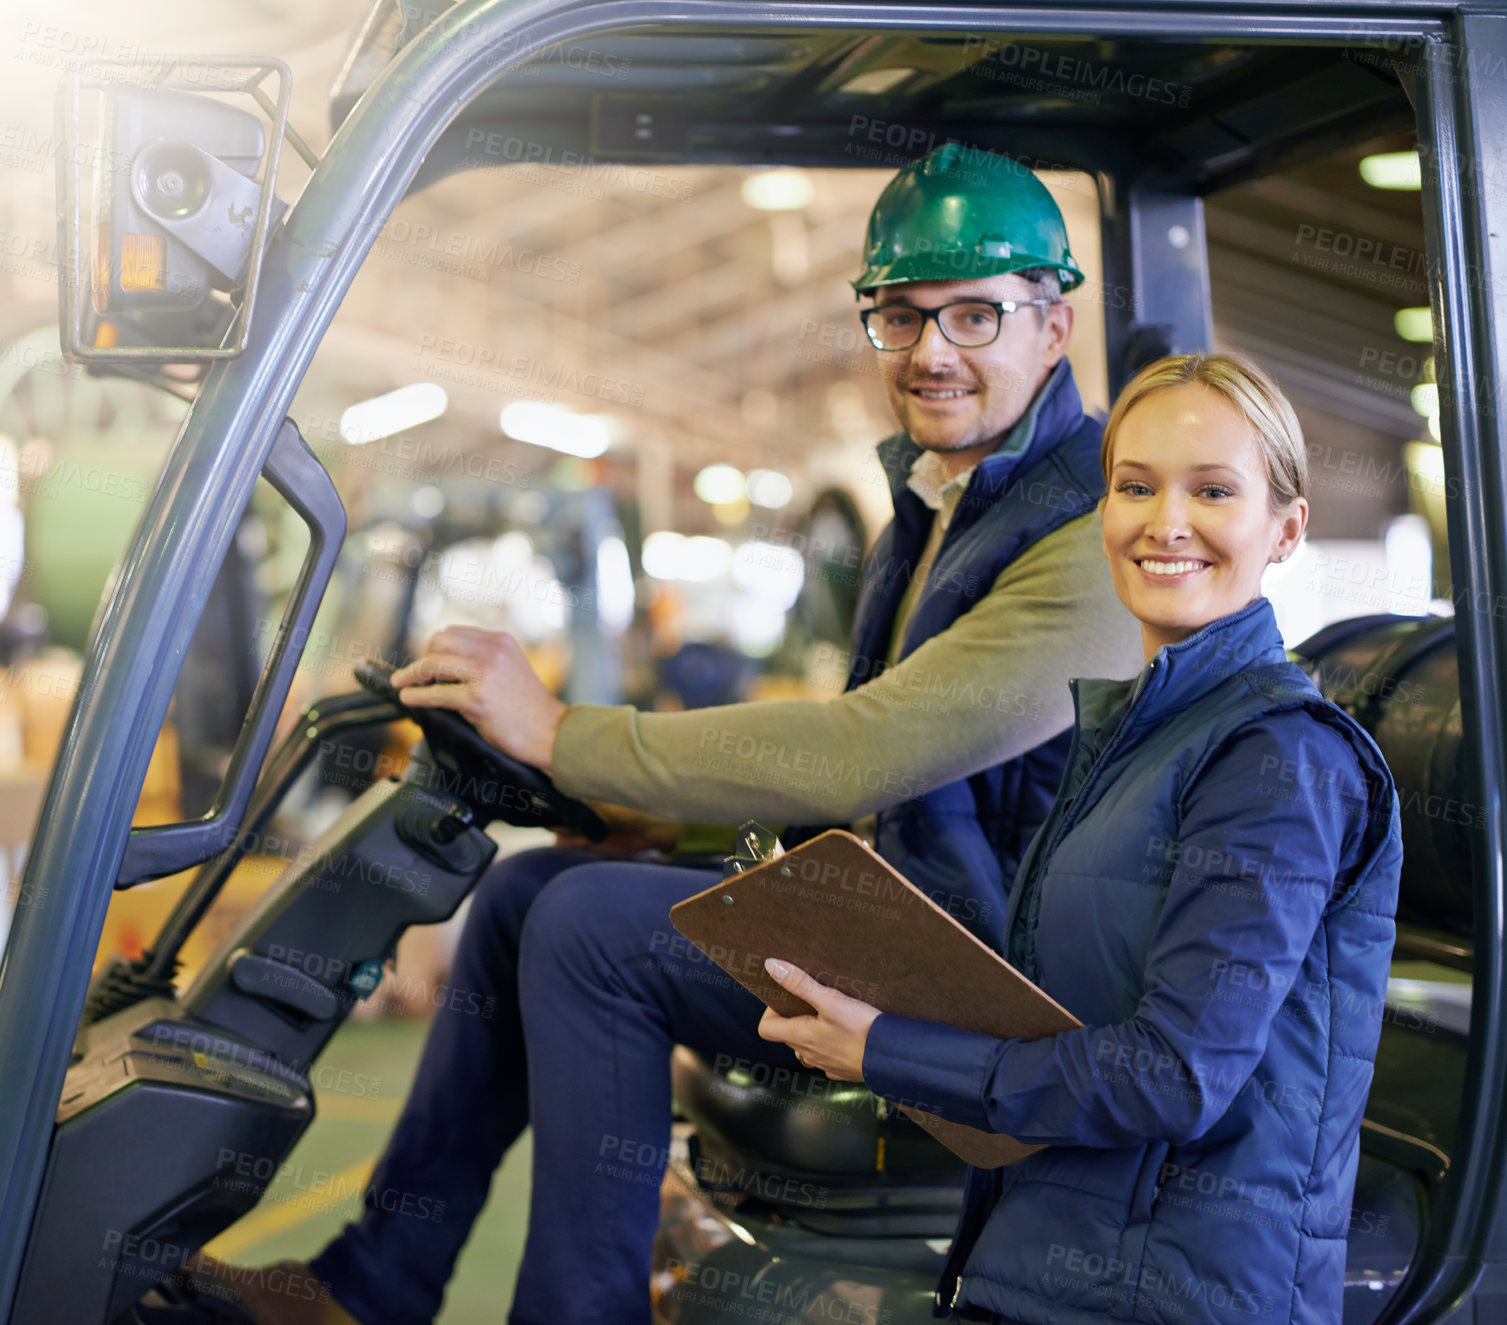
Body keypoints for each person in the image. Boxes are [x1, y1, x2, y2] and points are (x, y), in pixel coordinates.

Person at [196, 143, 1143, 1324]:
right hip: (921, 911)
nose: (930, 352)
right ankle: (369, 1286)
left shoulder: (1086, 543)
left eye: (973, 315)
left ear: (1052, 327)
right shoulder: (945, 501)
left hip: (1003, 982)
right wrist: (626, 806)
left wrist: (564, 731)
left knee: (595, 931)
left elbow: (862, 752)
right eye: (898, 318)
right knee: (525, 896)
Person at [759, 351, 1403, 1325]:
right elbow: (1066, 1011)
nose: (1164, 521)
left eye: (1213, 489)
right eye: (1133, 486)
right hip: (1056, 1263)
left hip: (1173, 1292)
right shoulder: (1134, 734)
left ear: (1286, 528)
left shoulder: (1276, 762)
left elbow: (1174, 1074)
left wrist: (891, 1050)